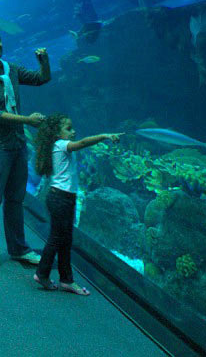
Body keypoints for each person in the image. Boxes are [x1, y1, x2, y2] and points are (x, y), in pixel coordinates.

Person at [0, 28, 50, 275]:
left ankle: (19, 248)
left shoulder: (10, 69)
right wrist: (27, 120)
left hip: (16, 144)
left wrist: (44, 62)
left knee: (15, 200)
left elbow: (40, 79)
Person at [33, 114, 121, 295]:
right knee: (57, 239)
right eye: (68, 129)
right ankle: (42, 274)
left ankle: (66, 280)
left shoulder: (59, 146)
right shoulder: (61, 145)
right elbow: (81, 144)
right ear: (57, 133)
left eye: (73, 128)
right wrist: (104, 136)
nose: (73, 132)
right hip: (60, 199)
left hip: (65, 198)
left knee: (65, 240)